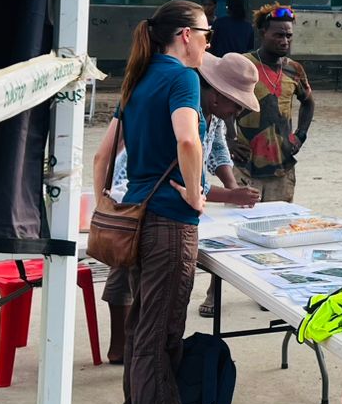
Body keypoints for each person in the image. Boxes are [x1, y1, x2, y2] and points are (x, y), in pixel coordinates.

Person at [90, 0, 216, 404]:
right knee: (157, 341)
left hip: (138, 219)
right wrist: (194, 192)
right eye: (206, 32)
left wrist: (103, 198)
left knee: (145, 332)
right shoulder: (181, 77)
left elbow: (103, 154)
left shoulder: (139, 78)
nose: (209, 41)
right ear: (184, 35)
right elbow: (189, 141)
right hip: (168, 223)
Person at [104, 53, 263, 352]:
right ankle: (122, 348)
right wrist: (216, 194)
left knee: (147, 308)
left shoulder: (212, 114)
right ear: (216, 97)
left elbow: (215, 151)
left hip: (154, 204)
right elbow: (182, 177)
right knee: (132, 285)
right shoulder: (184, 110)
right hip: (140, 206)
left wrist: (231, 186)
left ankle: (132, 351)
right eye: (236, 104)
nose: (237, 111)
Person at [231, 4, 314, 204]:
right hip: (246, 169)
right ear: (263, 33)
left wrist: (300, 135)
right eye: (278, 35)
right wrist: (229, 139)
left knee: (279, 228)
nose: (284, 41)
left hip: (282, 169)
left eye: (288, 36)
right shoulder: (244, 64)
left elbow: (308, 103)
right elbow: (221, 104)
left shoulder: (294, 69)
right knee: (239, 227)